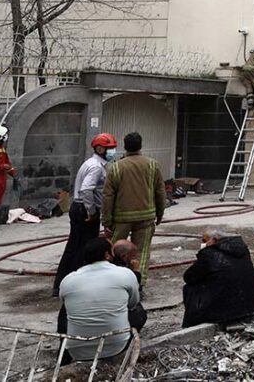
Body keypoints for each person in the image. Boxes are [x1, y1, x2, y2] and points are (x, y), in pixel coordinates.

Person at [57, 238, 140, 363]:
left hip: (76, 349)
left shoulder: (68, 280)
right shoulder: (125, 274)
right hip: (117, 345)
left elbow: (65, 303)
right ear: (107, 255)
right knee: (139, 311)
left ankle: (63, 356)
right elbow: (133, 303)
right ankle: (127, 349)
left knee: (67, 309)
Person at [54, 133, 117, 296]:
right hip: (84, 209)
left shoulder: (92, 163)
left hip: (79, 208)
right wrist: (91, 211)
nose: (113, 152)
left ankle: (61, 283)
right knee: (83, 248)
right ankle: (75, 284)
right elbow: (86, 189)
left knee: (74, 246)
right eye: (110, 149)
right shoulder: (96, 167)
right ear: (100, 149)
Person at [102, 132, 165, 286]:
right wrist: (160, 213)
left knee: (114, 249)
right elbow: (160, 191)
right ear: (140, 145)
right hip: (146, 216)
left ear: (124, 146)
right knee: (142, 251)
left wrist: (106, 221)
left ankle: (113, 280)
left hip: (121, 217)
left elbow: (108, 196)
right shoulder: (152, 165)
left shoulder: (116, 168)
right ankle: (139, 283)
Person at [181, 228, 254, 328]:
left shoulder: (209, 254)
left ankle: (191, 323)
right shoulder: (242, 249)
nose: (203, 244)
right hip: (251, 305)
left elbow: (189, 277)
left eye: (205, 241)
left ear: (214, 239)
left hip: (224, 310)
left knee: (189, 288)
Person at [0, 124, 17, 224]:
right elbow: (3, 165)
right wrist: (2, 167)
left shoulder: (1, 150)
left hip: (0, 180)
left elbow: (6, 162)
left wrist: (11, 171)